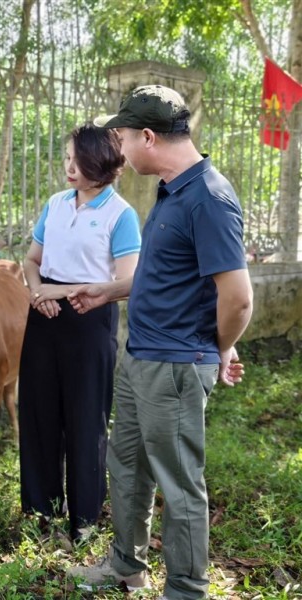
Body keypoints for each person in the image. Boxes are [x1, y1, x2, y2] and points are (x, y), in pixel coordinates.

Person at [67, 85, 253, 599]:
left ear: (147, 136)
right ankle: (126, 565)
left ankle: (186, 591)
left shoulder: (210, 198)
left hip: (173, 367)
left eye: (122, 138)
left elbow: (236, 298)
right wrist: (107, 291)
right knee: (125, 465)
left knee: (178, 484)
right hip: (141, 357)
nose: (119, 151)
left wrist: (219, 346)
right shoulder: (173, 191)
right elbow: (168, 277)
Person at [19, 123, 141, 541]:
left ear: (102, 163)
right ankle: (42, 509)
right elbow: (31, 260)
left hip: (90, 322)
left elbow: (127, 283)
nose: (69, 167)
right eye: (67, 158)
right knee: (38, 414)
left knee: (86, 420)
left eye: (78, 160)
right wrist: (39, 293)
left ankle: (84, 520)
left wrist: (63, 290)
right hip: (44, 318)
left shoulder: (120, 214)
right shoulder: (55, 204)